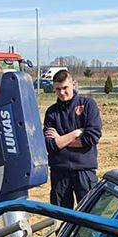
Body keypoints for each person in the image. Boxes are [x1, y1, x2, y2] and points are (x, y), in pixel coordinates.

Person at [43, 69, 102, 209]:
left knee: (90, 216)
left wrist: (60, 140)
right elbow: (49, 145)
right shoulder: (51, 112)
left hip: (84, 171)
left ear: (73, 84)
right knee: (60, 217)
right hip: (59, 172)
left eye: (65, 88)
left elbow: (91, 138)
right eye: (58, 89)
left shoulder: (88, 105)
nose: (62, 92)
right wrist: (75, 133)